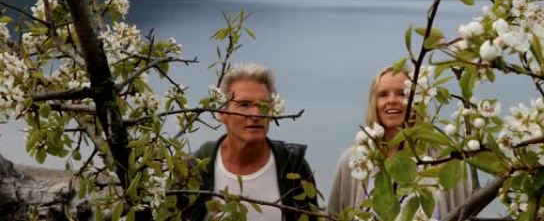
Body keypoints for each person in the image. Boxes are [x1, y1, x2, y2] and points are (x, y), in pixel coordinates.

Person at [327, 66, 468, 218]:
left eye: (402, 93)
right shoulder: (353, 160)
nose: (392, 100)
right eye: (383, 95)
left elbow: (464, 211)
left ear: (417, 99)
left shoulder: (444, 158)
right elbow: (334, 215)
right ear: (374, 103)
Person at [185, 64, 319, 221]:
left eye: (263, 105)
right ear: (222, 112)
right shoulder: (194, 169)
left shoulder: (293, 165)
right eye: (244, 105)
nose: (256, 114)